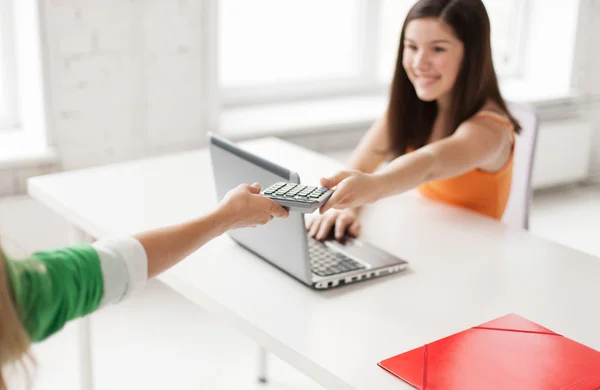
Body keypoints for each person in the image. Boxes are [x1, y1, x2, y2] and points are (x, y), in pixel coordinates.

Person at [0, 183, 288, 390]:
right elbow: (114, 265)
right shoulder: (18, 297)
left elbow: (112, 265)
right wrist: (223, 218)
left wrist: (224, 217)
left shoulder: (21, 293)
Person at [308, 0, 521, 242]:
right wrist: (347, 209)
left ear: (472, 55)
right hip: (426, 241)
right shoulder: (412, 109)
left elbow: (430, 162)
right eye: (412, 47)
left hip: (475, 254)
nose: (419, 63)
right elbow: (362, 165)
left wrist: (374, 186)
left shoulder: (490, 131)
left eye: (438, 49)